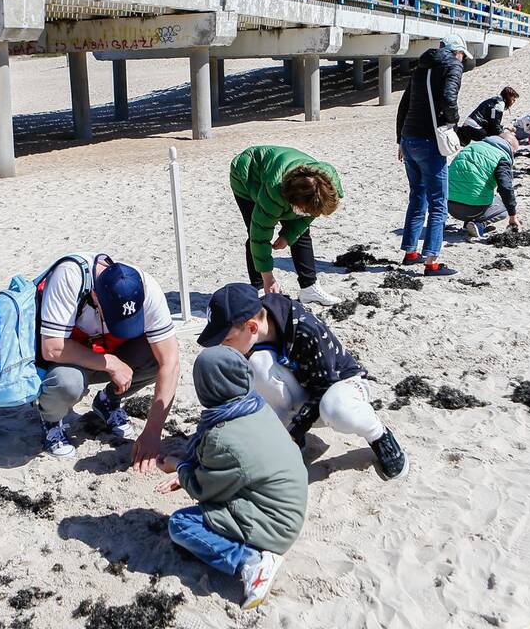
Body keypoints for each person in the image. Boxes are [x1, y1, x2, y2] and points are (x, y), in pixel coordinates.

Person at [199, 283, 409, 479]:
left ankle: (378, 435)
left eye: (226, 339)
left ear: (252, 327)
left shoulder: (305, 328)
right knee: (258, 364)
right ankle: (291, 438)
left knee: (336, 410)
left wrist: (296, 429)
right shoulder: (248, 339)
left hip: (340, 386)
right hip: (301, 389)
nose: (223, 347)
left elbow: (325, 384)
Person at [156, 345, 307, 610]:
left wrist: (180, 468)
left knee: (181, 524)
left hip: (275, 525)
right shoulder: (256, 406)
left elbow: (204, 489)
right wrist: (190, 459)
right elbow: (236, 461)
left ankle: (250, 561)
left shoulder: (221, 437)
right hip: (289, 504)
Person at [34, 253, 180, 465]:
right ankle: (51, 420)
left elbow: (171, 362)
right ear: (95, 296)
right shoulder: (69, 277)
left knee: (157, 356)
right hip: (65, 360)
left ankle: (107, 401)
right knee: (68, 383)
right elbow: (52, 348)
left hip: (106, 350)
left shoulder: (148, 288)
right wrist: (110, 363)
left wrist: (152, 432)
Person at [229, 145, 343, 305]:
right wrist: (268, 278)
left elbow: (312, 214)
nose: (311, 215)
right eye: (304, 211)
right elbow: (259, 235)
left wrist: (288, 236)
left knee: (302, 234)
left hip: (283, 175)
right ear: (291, 200)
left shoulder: (328, 187)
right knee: (253, 231)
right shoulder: (274, 191)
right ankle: (260, 288)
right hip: (246, 175)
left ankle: (309, 288)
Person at [394, 34, 466, 277]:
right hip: (429, 141)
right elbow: (448, 99)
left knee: (418, 195)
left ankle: (410, 252)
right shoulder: (453, 65)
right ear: (457, 52)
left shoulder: (420, 67)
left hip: (409, 138)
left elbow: (404, 105)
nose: (463, 60)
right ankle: (432, 261)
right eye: (463, 55)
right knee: (438, 203)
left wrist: (400, 140)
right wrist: (452, 121)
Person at [447, 132, 523, 238]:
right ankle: (479, 224)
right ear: (509, 147)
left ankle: (469, 223)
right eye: (514, 152)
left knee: (470, 187)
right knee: (504, 208)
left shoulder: (471, 146)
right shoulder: (502, 156)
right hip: (472, 209)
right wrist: (513, 216)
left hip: (449, 205)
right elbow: (505, 187)